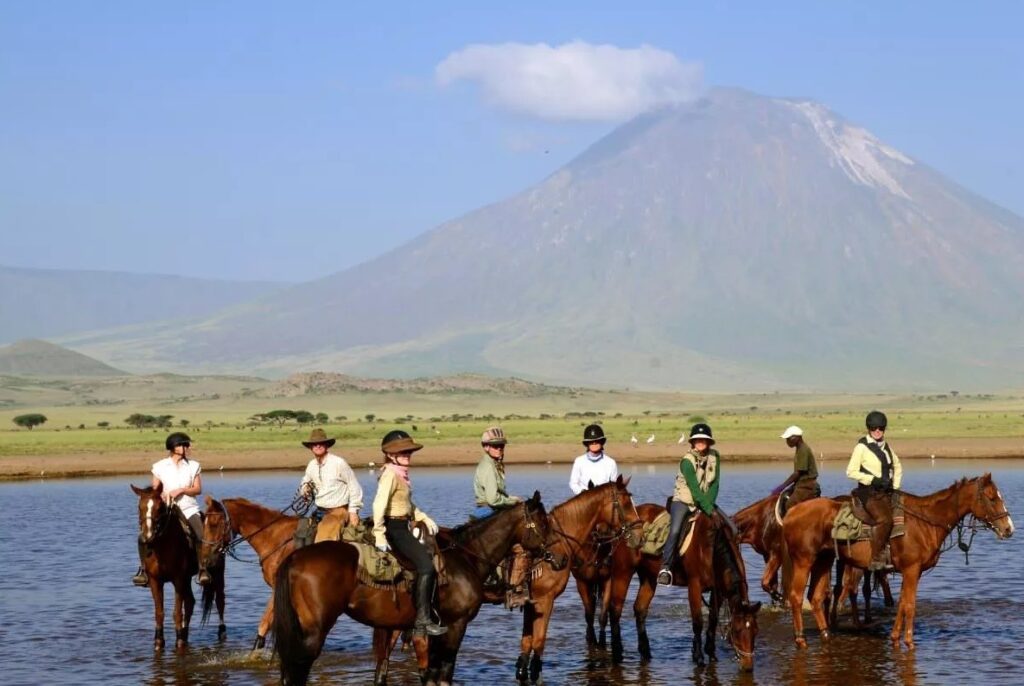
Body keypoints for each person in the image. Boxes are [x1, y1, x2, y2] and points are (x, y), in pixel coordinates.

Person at [372, 429, 446, 637]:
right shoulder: (390, 475)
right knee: (426, 567)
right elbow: (379, 504)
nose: (407, 455)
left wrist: (422, 516)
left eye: (409, 452)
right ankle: (422, 619)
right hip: (395, 529)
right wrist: (379, 532)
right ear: (390, 455)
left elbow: (406, 504)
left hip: (403, 524)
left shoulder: (400, 474)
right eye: (403, 452)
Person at [132, 432, 210, 586]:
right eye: (184, 445)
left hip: (188, 508)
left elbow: (197, 489)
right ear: (174, 447)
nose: (187, 447)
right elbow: (155, 490)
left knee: (201, 535)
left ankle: (202, 569)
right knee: (143, 537)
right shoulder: (159, 466)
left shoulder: (194, 466)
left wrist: (181, 490)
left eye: (186, 444)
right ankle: (143, 570)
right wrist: (160, 496)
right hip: (165, 508)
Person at [472, 426, 530, 607]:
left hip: (491, 510)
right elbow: (492, 498)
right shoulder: (488, 467)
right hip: (488, 511)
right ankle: (514, 590)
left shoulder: (493, 465)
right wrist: (513, 501)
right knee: (519, 547)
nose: (499, 449)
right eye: (495, 446)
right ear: (486, 447)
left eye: (501, 446)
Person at [658, 423, 720, 586]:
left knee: (730, 527)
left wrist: (710, 505)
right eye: (697, 439)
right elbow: (694, 489)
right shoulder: (687, 461)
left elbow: (715, 485)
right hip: (684, 501)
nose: (700, 442)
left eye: (704, 440)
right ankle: (666, 567)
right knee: (676, 529)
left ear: (709, 442)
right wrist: (708, 509)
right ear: (692, 442)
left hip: (705, 501)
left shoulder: (715, 457)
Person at [846, 411, 902, 569]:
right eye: (873, 428)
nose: (877, 431)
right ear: (868, 429)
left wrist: (896, 488)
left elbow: (897, 467)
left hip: (886, 491)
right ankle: (876, 557)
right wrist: (871, 479)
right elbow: (851, 471)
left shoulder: (887, 447)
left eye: (881, 428)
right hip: (868, 492)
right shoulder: (861, 447)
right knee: (885, 519)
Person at [299, 428, 364, 543]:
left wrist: (353, 511)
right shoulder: (311, 465)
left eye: (321, 444)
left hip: (339, 511)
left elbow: (354, 486)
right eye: (314, 444)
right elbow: (305, 481)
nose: (318, 446)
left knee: (322, 541)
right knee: (300, 535)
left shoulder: (338, 463)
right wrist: (305, 490)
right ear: (310, 447)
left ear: (326, 445)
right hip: (319, 510)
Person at [771, 425, 821, 509]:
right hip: (800, 484)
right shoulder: (800, 448)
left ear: (796, 438)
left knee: (790, 505)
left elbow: (797, 473)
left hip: (807, 485)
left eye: (788, 439)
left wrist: (782, 486)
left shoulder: (803, 450)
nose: (787, 442)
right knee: (783, 497)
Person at [569, 424, 619, 495]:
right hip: (584, 500)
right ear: (587, 444)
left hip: (603, 500)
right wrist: (583, 493)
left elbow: (613, 486)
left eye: (597, 441)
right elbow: (573, 483)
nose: (594, 443)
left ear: (601, 442)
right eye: (591, 441)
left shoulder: (611, 463)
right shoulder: (579, 461)